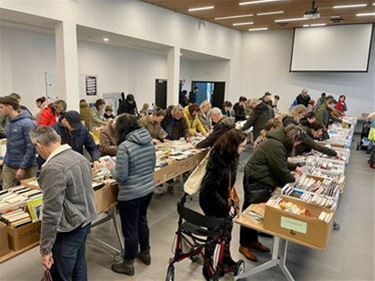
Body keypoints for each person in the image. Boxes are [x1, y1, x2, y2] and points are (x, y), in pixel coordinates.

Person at [30, 126, 97, 281]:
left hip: (69, 229)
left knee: (61, 274)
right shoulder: (79, 157)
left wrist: (45, 249)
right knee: (79, 266)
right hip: (84, 220)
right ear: (58, 139)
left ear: (39, 146)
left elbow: (51, 212)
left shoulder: (53, 168)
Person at [239, 125, 304, 262]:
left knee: (256, 212)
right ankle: (244, 244)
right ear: (293, 139)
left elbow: (280, 161)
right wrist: (293, 178)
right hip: (256, 179)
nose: (297, 145)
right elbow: (280, 169)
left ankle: (252, 240)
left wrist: (294, 167)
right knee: (250, 212)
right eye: (297, 142)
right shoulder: (276, 144)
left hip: (260, 178)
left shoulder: (278, 142)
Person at [105, 114, 156, 276]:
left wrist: (110, 168)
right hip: (148, 189)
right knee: (142, 221)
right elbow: (152, 164)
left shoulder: (125, 146)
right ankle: (145, 253)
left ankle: (128, 263)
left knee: (130, 229)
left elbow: (121, 176)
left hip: (131, 194)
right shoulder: (147, 139)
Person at [199, 129, 247, 279]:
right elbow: (209, 191)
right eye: (242, 146)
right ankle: (207, 266)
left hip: (222, 198)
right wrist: (227, 207)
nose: (244, 149)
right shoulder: (218, 163)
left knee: (227, 229)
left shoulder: (230, 157)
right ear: (233, 146)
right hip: (212, 202)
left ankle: (225, 259)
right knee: (214, 234)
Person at [0, 96, 36, 189]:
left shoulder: (27, 123)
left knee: (28, 193)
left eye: (1, 107)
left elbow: (31, 148)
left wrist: (22, 167)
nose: (0, 110)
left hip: (25, 167)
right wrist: (5, 163)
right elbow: (10, 143)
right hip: (9, 164)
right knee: (6, 193)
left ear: (10, 107)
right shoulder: (8, 121)